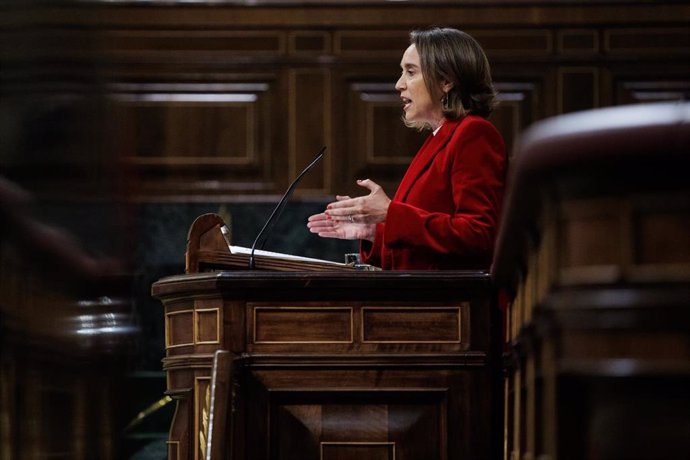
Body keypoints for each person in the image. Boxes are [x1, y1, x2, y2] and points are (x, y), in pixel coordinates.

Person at [307, 27, 506, 270]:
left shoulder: (473, 133)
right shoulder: (439, 138)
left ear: (446, 81)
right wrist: (374, 232)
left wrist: (391, 214)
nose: (399, 84)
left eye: (410, 72)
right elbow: (423, 245)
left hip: (452, 304)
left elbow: (478, 235)